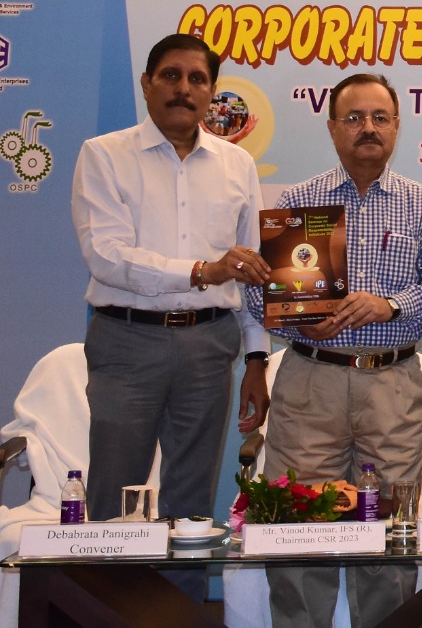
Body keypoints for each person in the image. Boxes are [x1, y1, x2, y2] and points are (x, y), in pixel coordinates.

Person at [243, 73, 422, 626]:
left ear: (396, 127)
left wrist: (390, 305)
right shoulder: (297, 202)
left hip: (391, 385)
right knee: (297, 527)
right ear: (332, 128)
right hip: (310, 382)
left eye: (379, 118)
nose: (368, 128)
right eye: (354, 118)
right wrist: (297, 320)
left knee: (389, 530)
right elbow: (255, 294)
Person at [70, 33, 272, 600]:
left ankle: (180, 610)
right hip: (126, 341)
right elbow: (107, 256)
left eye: (197, 79)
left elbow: (252, 269)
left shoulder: (236, 164)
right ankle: (109, 610)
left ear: (212, 92)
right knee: (116, 494)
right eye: (171, 76)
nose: (184, 89)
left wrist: (257, 357)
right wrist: (202, 271)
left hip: (210, 347)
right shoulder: (104, 155)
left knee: (191, 504)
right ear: (147, 83)